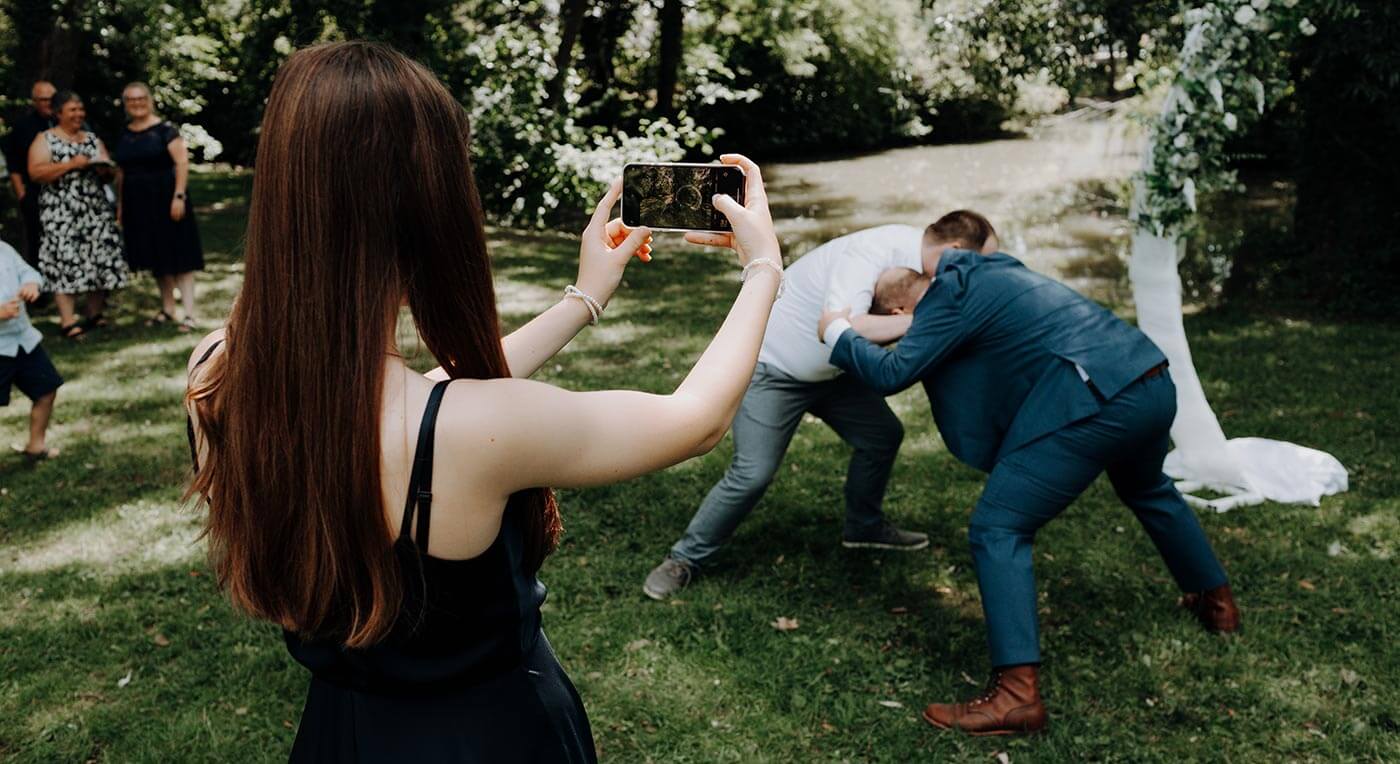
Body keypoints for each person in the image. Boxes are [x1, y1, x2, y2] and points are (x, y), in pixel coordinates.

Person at [184, 42, 782, 762]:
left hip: (342, 735)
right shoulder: (469, 432)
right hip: (492, 738)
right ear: (426, 210)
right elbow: (696, 420)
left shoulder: (217, 372)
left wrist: (583, 299)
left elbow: (420, 404)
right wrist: (763, 270)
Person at [817, 223, 1239, 736]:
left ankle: (1016, 697)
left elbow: (890, 374)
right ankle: (1217, 605)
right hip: (1147, 375)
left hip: (1096, 400)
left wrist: (837, 331)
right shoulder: (999, 273)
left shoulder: (953, 288)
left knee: (998, 529)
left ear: (946, 254)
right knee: (1149, 488)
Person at [643, 213, 1000, 601]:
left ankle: (864, 526)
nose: (978, 275)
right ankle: (683, 559)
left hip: (833, 373)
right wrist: (925, 324)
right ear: (955, 251)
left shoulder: (924, 265)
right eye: (981, 263)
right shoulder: (874, 250)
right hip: (774, 367)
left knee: (882, 435)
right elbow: (846, 328)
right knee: (753, 473)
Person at [27, 91, 127, 339]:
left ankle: (94, 313)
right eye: (72, 110)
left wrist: (105, 171)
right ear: (58, 112)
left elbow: (109, 172)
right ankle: (68, 320)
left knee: (97, 258)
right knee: (64, 260)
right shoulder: (46, 139)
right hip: (61, 212)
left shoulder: (92, 139)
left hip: (94, 210)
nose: (78, 114)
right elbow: (36, 172)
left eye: (80, 110)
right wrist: (72, 164)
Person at [114, 82, 204, 331]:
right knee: (155, 256)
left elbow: (182, 163)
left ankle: (189, 313)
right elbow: (121, 172)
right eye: (131, 100)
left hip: (167, 199)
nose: (137, 103)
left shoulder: (166, 130)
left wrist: (179, 197)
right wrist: (121, 205)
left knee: (180, 256)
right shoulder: (124, 134)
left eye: (141, 98)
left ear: (149, 100)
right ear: (125, 104)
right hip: (137, 204)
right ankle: (167, 308)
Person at [1, 238, 62, 461]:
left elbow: (28, 272)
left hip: (24, 340)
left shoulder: (5, 248)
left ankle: (36, 445)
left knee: (46, 388)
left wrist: (31, 284)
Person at [3, 81, 56, 267]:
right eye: (43, 99)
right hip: (35, 194)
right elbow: (13, 163)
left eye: (52, 99)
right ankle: (39, 291)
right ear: (34, 101)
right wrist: (22, 194)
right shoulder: (23, 127)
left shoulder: (67, 121)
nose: (48, 103)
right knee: (37, 244)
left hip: (65, 194)